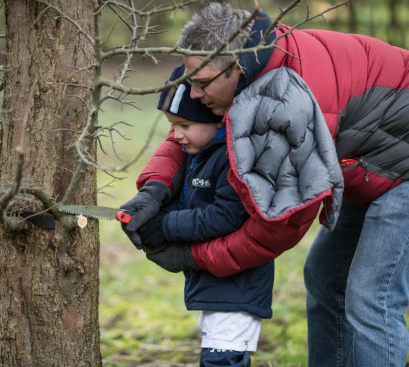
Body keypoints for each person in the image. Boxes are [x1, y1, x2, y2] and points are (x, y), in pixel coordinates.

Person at [121, 2, 409, 367]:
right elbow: (194, 126)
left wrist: (189, 256)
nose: (193, 94)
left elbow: (276, 226)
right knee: (325, 278)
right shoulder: (245, 64)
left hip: (402, 174)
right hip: (375, 163)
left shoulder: (289, 103)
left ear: (236, 67)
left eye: (200, 84)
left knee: (371, 296)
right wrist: (155, 188)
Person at [129, 63, 274, 366]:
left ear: (216, 120)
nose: (176, 135)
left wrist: (165, 226)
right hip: (215, 284)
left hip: (237, 285)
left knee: (221, 360)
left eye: (184, 125)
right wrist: (151, 213)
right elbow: (189, 200)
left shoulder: (232, 159)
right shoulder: (198, 154)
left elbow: (223, 216)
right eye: (172, 125)